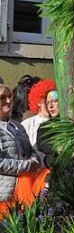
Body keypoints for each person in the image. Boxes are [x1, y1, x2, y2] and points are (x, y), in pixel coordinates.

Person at [0, 85, 43, 217]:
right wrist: (27, 166)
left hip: (26, 188)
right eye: (2, 97)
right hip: (6, 194)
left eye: (10, 96)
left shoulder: (17, 126)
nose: (8, 100)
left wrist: (35, 159)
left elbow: (30, 150)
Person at [20, 79, 56, 151]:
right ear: (38, 102)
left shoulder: (62, 120)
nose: (50, 105)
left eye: (54, 101)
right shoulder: (26, 125)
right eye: (46, 101)